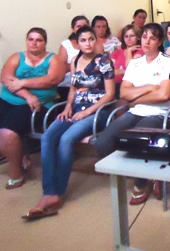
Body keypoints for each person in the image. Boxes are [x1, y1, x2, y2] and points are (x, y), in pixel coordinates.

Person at [22, 26, 115, 220]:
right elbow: (73, 88)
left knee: (66, 139)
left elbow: (110, 94)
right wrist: (67, 108)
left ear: (95, 41)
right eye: (83, 40)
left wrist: (88, 111)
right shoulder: (75, 61)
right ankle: (48, 192)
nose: (88, 44)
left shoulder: (104, 61)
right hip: (76, 110)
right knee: (47, 137)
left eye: (91, 39)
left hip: (98, 112)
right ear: (77, 43)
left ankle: (58, 193)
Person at [95, 23, 170, 205]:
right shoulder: (135, 63)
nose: (146, 41)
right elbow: (123, 94)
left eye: (152, 38)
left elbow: (164, 95)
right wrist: (149, 88)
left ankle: (142, 182)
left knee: (137, 141)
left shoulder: (168, 62)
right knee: (102, 143)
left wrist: (135, 96)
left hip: (160, 114)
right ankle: (141, 174)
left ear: (160, 41)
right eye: (144, 36)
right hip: (135, 111)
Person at [0, 28, 64, 189]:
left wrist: (22, 82)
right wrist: (28, 95)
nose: (34, 42)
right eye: (31, 39)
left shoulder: (53, 59)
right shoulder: (17, 57)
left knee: (6, 134)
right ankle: (20, 156)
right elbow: (5, 78)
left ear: (45, 42)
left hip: (39, 105)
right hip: (8, 99)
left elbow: (52, 80)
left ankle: (16, 172)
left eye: (39, 40)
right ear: (26, 41)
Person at [57, 15, 89, 100]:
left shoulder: (94, 45)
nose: (82, 29)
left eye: (85, 26)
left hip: (88, 85)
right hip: (67, 85)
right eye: (78, 26)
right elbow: (61, 67)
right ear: (73, 29)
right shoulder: (66, 44)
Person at [110, 24, 144, 95]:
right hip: (114, 86)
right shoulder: (117, 52)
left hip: (131, 87)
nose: (129, 39)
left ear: (138, 37)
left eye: (132, 36)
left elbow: (130, 68)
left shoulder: (141, 52)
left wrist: (129, 52)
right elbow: (109, 71)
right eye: (126, 36)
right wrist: (124, 71)